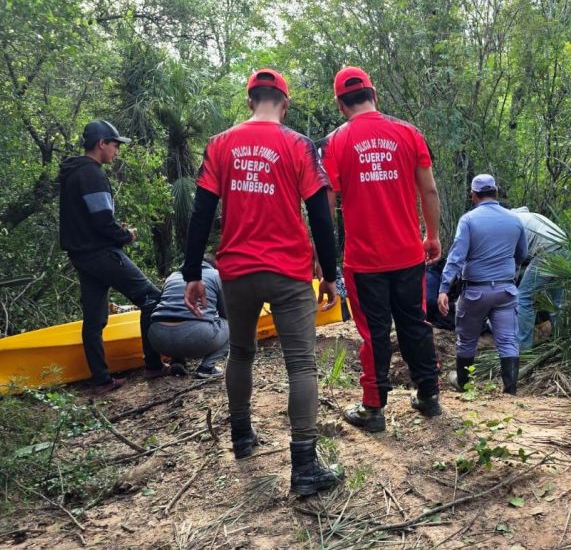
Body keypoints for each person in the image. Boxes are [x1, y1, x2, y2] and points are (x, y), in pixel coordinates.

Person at [181, 68, 341, 495]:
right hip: (289, 272)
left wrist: (192, 274)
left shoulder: (220, 144)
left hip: (236, 272)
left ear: (250, 100)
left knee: (241, 353)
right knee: (301, 365)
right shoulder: (298, 145)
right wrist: (330, 273)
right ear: (284, 103)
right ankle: (305, 466)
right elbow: (321, 216)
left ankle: (242, 437)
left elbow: (199, 214)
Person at [321, 66, 443, 432]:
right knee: (415, 324)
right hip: (408, 254)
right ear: (374, 95)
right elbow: (430, 191)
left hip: (364, 261)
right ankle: (429, 396)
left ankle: (373, 409)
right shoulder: (409, 133)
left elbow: (325, 207)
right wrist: (432, 235)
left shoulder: (335, 142)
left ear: (341, 105)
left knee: (374, 333)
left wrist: (322, 256)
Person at [59, 119, 166, 396]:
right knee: (152, 299)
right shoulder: (92, 174)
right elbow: (102, 221)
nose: (116, 152)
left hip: (81, 255)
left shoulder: (72, 172)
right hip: (101, 253)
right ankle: (153, 364)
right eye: (115, 145)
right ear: (101, 144)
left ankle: (101, 380)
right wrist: (126, 235)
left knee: (94, 320)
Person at [438, 175, 527, 394]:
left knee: (467, 340)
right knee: (507, 340)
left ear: (473, 195)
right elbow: (522, 254)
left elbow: (457, 256)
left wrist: (444, 287)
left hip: (476, 291)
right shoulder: (515, 219)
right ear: (496, 192)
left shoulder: (468, 220)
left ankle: (464, 384)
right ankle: (510, 391)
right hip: (506, 291)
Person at [148, 254, 228, 379]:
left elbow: (167, 307)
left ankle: (177, 362)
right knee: (234, 324)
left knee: (178, 316)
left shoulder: (172, 276)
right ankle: (207, 368)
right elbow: (226, 313)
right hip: (194, 335)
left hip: (157, 337)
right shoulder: (215, 275)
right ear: (212, 265)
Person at [511, 206, 566, 351]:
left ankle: (523, 348)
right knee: (556, 301)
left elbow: (516, 260)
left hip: (547, 251)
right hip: (565, 246)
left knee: (523, 297)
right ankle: (561, 340)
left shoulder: (511, 222)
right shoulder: (531, 217)